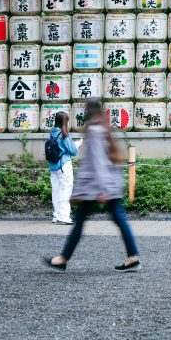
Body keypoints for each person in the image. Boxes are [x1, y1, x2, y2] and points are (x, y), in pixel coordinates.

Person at [44, 98, 140, 272]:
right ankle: (132, 257)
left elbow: (97, 162)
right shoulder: (104, 128)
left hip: (96, 187)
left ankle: (63, 259)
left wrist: (100, 189)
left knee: (80, 221)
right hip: (109, 184)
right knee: (119, 219)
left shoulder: (95, 130)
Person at [48, 111, 77, 225]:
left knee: (56, 190)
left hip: (53, 166)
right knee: (66, 190)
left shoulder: (52, 133)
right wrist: (77, 144)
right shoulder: (64, 134)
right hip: (64, 165)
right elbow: (73, 151)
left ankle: (56, 215)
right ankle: (64, 216)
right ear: (65, 122)